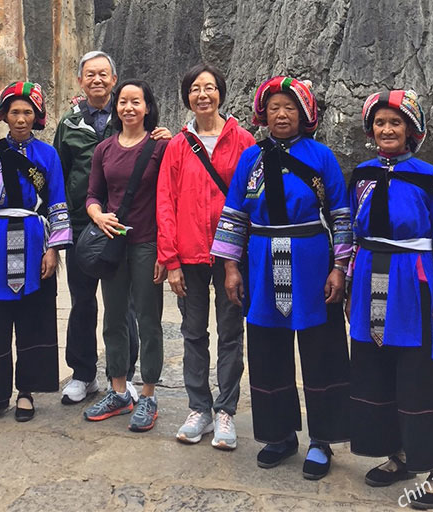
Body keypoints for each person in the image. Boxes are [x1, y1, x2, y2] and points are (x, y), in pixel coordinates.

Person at [211, 76, 352, 479]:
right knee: (267, 349)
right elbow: (235, 214)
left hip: (312, 263)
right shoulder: (250, 160)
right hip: (261, 262)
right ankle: (280, 435)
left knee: (321, 350)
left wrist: (340, 268)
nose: (281, 114)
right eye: (273, 107)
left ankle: (323, 439)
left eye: (289, 107)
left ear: (305, 114)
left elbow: (341, 216)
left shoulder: (321, 157)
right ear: (263, 115)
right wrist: (232, 267)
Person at [347, 90, 433, 509]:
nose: (386, 129)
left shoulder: (426, 176)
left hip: (412, 283)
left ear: (411, 129)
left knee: (418, 374)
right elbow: (348, 231)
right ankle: (398, 456)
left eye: (395, 122)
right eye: (380, 123)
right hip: (367, 281)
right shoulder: (360, 174)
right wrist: (344, 279)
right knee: (375, 368)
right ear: (370, 129)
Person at [53, 51, 170, 405]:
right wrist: (66, 226)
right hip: (83, 227)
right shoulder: (70, 124)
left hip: (134, 233)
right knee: (83, 302)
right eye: (90, 74)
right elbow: (60, 175)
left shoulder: (140, 133)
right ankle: (83, 374)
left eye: (104, 74)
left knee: (130, 309)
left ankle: (126, 378)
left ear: (114, 80)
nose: (97, 80)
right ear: (80, 81)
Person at [157, 63, 254, 450]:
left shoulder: (243, 140)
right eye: (195, 88)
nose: (203, 95)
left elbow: (251, 197)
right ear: (187, 97)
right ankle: (199, 407)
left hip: (232, 255)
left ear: (221, 93)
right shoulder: (178, 146)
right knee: (193, 333)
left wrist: (241, 254)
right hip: (189, 253)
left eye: (210, 87)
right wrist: (170, 260)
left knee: (231, 332)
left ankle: (226, 410)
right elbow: (166, 202)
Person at [0, 81, 71, 422]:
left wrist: (54, 250)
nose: (21, 118)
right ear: (5, 115)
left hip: (34, 242)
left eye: (28, 112)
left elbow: (57, 202)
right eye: (15, 111)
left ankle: (26, 391)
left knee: (33, 318)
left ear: (37, 116)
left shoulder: (48, 156)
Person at [83, 79, 168, 432]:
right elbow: (92, 195)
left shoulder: (162, 146)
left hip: (148, 243)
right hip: (113, 241)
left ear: (148, 107)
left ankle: (148, 394)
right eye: (123, 102)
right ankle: (118, 390)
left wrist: (167, 250)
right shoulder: (105, 149)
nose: (129, 107)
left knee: (149, 320)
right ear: (116, 107)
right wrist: (98, 215)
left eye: (136, 101)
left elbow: (170, 197)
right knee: (114, 316)